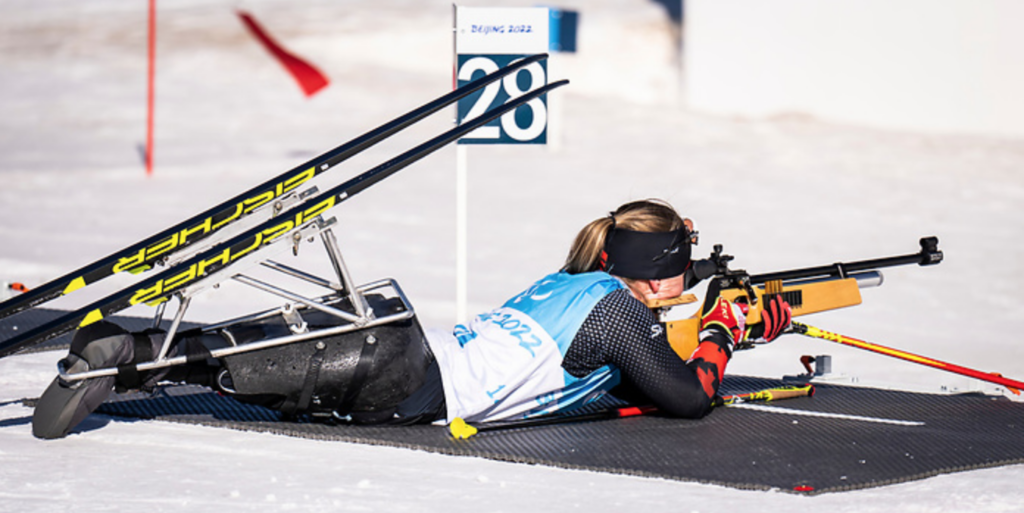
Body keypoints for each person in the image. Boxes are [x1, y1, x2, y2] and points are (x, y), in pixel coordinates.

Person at [32, 199, 791, 439]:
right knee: (256, 369)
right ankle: (120, 360)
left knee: (249, 353)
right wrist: (725, 329)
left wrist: (693, 314)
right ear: (662, 270)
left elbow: (605, 359)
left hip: (405, 342)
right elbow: (688, 396)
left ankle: (123, 350)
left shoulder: (569, 281)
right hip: (416, 385)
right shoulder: (622, 311)